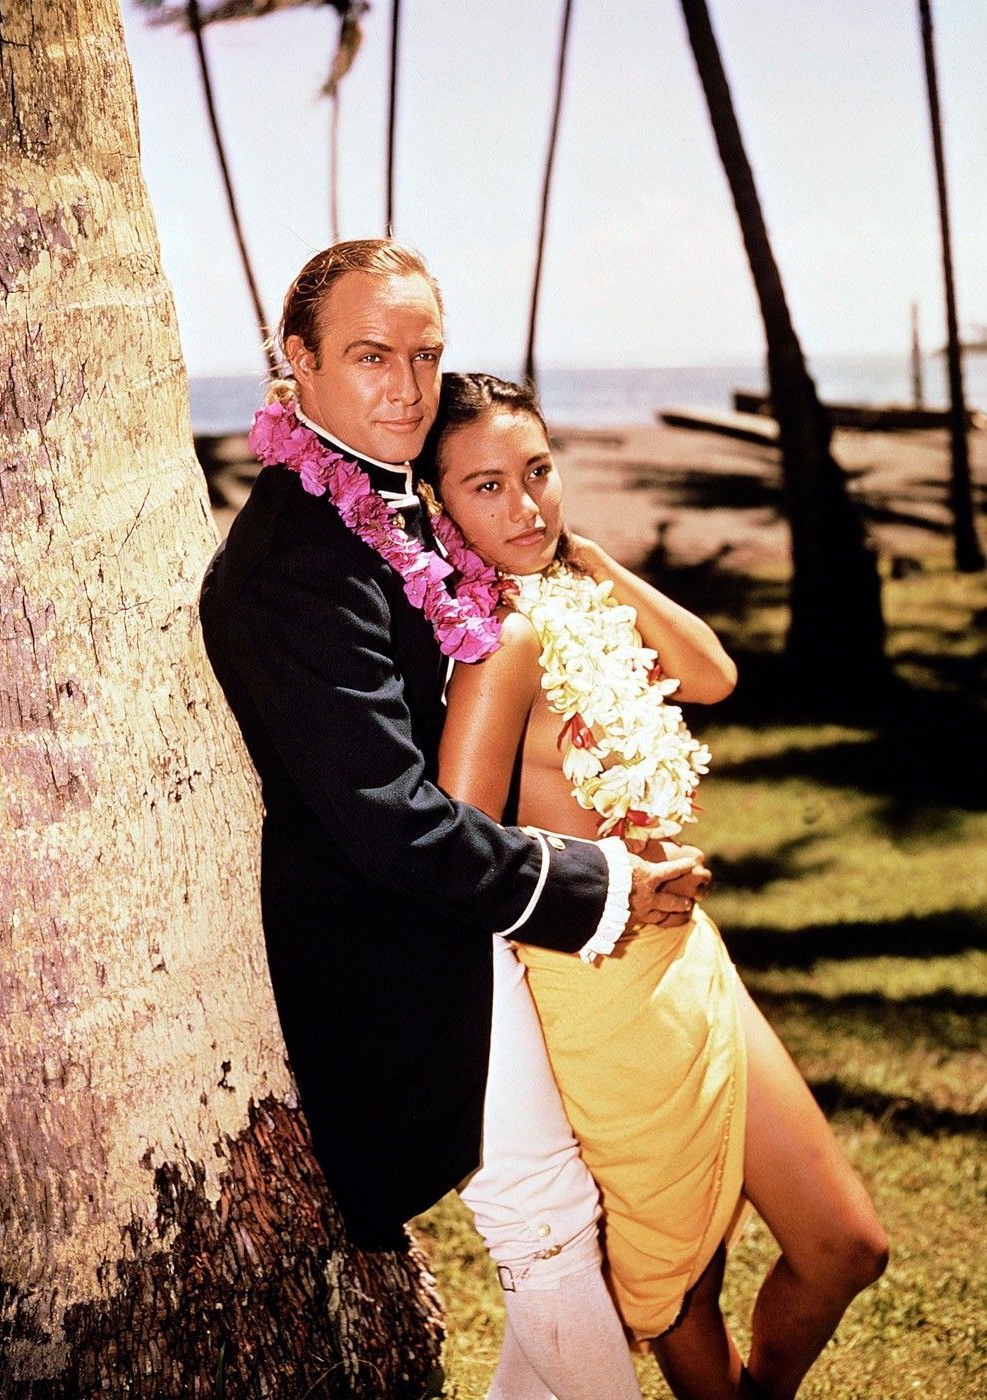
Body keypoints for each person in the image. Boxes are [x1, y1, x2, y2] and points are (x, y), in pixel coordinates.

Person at [199, 239, 708, 1399]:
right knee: (541, 1221)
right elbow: (388, 821)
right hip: (398, 948)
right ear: (297, 363)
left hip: (464, 912)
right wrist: (601, 882)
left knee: (552, 1212)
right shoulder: (294, 562)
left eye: (423, 354)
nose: (406, 385)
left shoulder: (384, 508)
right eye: (370, 354)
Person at [421, 371, 889, 1400]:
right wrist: (610, 878)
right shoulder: (497, 647)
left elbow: (711, 673)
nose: (526, 506)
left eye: (537, 472)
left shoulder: (568, 598)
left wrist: (583, 556)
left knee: (844, 1243)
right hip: (597, 990)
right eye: (486, 487)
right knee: (680, 1282)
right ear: (436, 505)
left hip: (688, 956)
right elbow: (452, 853)